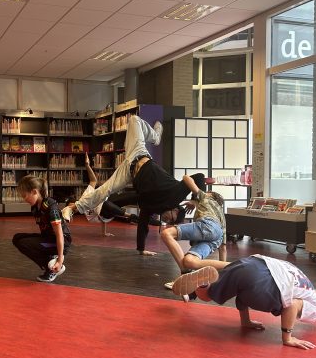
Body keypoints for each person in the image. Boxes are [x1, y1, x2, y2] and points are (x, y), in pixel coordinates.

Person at [63, 114, 205, 255]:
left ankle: (73, 208)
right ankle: (155, 137)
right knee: (133, 119)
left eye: (169, 223)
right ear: (175, 209)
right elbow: (199, 177)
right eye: (171, 219)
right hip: (139, 153)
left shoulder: (152, 207)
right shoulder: (175, 195)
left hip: (128, 170)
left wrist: (141, 249)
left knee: (104, 190)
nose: (167, 220)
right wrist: (195, 198)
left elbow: (143, 224)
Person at [171, 256, 316, 350]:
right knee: (208, 297)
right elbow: (293, 305)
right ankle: (203, 284)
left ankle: (202, 278)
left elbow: (245, 297)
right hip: (262, 284)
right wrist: (288, 337)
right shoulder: (315, 306)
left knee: (222, 292)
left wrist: (246, 321)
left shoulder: (303, 278)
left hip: (253, 263)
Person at [160, 175, 228, 281]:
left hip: (207, 225)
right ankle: (234, 265)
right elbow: (223, 248)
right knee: (190, 261)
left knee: (166, 233)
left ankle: (185, 274)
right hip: (216, 238)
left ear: (211, 196)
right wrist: (224, 275)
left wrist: (194, 199)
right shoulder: (221, 217)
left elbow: (186, 178)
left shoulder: (206, 197)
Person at [13, 175, 71, 282]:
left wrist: (60, 259)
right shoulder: (35, 207)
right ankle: (50, 262)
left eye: (25, 196)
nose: (24, 199)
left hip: (61, 241)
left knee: (25, 243)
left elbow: (60, 234)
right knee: (17, 238)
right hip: (49, 239)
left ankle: (53, 269)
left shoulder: (51, 207)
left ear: (34, 192)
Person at [67, 153, 139, 237]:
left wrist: (87, 166)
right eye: (72, 212)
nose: (73, 210)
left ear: (74, 202)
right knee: (105, 204)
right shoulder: (88, 216)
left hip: (110, 202)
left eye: (71, 208)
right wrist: (104, 232)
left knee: (121, 196)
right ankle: (131, 216)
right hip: (107, 212)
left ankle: (142, 196)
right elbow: (102, 218)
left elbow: (93, 181)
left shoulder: (85, 197)